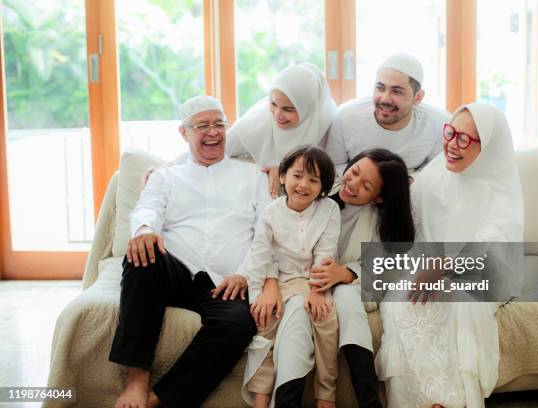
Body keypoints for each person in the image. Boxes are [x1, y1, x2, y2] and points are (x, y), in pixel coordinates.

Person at [109, 95, 270, 408]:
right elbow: (147, 209)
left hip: (227, 280)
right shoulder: (165, 176)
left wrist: (244, 273)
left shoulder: (254, 177)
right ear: (184, 133)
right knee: (143, 252)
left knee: (238, 325)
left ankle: (159, 399)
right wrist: (144, 231)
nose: (213, 132)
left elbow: (266, 233)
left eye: (219, 125)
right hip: (176, 273)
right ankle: (136, 376)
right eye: (203, 126)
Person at [375, 103, 524, 408]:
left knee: (457, 305)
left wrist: (445, 266)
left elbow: (495, 244)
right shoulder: (436, 172)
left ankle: (451, 401)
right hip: (432, 264)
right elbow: (413, 220)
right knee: (400, 302)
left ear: (488, 147)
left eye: (465, 139)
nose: (453, 145)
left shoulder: (500, 187)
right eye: (450, 132)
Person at [259, 148, 416, 408]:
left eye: (365, 186)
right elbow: (272, 246)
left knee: (344, 295)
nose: (352, 184)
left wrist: (344, 272)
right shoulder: (314, 198)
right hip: (302, 283)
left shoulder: (380, 222)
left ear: (377, 198)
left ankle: (367, 397)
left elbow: (388, 267)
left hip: (350, 286)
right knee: (307, 308)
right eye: (353, 172)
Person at [239, 146, 340, 408]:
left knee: (325, 319)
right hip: (280, 281)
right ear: (282, 176)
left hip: (312, 280)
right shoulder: (270, 213)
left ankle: (325, 395)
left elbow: (325, 254)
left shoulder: (329, 209)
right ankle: (261, 398)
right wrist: (256, 298)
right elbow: (259, 257)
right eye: (297, 175)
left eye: (314, 180)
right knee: (266, 321)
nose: (304, 185)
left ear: (323, 187)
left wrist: (318, 291)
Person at [324, 53, 449, 179]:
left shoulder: (438, 124)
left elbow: (437, 169)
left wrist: (407, 182)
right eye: (380, 88)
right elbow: (334, 163)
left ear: (417, 98)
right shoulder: (345, 117)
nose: (385, 99)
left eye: (397, 91)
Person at [227, 63, 337, 196]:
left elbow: (329, 177)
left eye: (288, 109)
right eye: (273, 104)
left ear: (309, 108)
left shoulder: (329, 124)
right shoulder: (258, 121)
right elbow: (217, 153)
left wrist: (284, 170)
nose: (277, 115)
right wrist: (264, 169)